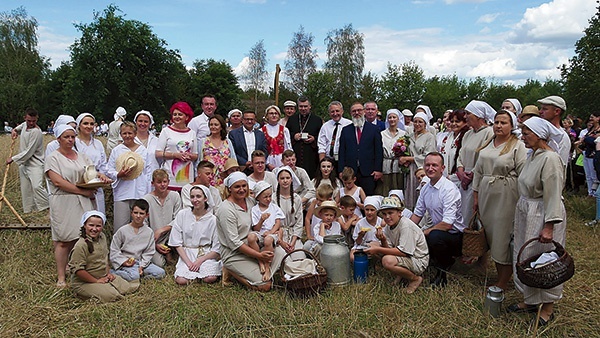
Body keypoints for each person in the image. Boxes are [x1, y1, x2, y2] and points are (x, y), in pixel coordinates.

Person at [508, 117, 567, 327]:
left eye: (526, 133)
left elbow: (553, 194)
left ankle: (548, 306)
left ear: (540, 135)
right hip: (528, 209)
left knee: (545, 260)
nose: (523, 137)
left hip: (542, 212)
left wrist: (549, 225)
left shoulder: (550, 159)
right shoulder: (534, 155)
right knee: (527, 256)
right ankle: (531, 299)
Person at [46, 125, 111, 287]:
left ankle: (81, 271)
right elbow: (57, 181)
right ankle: (61, 276)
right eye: (66, 137)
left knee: (82, 237)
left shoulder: (81, 156)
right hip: (64, 201)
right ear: (58, 139)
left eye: (72, 137)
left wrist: (100, 177)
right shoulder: (53, 157)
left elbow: (91, 173)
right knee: (63, 240)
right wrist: (82, 192)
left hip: (84, 201)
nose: (70, 140)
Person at [472, 110, 527, 290]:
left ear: (512, 126)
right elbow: (478, 171)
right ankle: (498, 272)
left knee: (502, 236)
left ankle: (504, 280)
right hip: (487, 193)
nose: (498, 126)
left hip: (506, 195)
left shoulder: (518, 146)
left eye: (503, 122)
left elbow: (523, 174)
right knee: (490, 233)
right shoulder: (489, 143)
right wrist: (476, 195)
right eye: (496, 122)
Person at [217, 172, 285, 291]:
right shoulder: (226, 209)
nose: (242, 189)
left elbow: (269, 215)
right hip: (235, 252)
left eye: (244, 186)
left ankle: (262, 267)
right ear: (229, 189)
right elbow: (234, 243)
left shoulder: (250, 201)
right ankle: (230, 269)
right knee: (265, 286)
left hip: (254, 243)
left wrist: (277, 231)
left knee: (280, 253)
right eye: (237, 187)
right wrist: (259, 255)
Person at [410, 152, 464, 288]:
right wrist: (407, 229)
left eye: (435, 165)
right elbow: (417, 214)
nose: (430, 168)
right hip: (439, 231)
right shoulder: (426, 188)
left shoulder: (449, 189)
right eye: (427, 165)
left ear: (442, 168)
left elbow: (447, 224)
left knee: (433, 236)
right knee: (418, 233)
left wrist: (424, 232)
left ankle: (442, 272)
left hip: (455, 235)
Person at [69, 211, 139, 302]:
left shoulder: (102, 237)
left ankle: (106, 287)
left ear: (102, 227)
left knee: (127, 288)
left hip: (102, 276)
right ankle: (84, 293)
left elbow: (104, 258)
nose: (94, 229)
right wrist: (96, 281)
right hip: (84, 282)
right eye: (91, 225)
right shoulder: (81, 245)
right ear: (84, 225)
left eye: (98, 226)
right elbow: (78, 270)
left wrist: (107, 273)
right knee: (113, 296)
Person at [367, 196, 429, 294]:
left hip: (418, 260)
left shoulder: (406, 225)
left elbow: (403, 252)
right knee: (372, 244)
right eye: (384, 214)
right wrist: (382, 239)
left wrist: (378, 249)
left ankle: (415, 279)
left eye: (390, 213)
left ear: (399, 213)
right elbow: (389, 248)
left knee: (387, 261)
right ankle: (401, 274)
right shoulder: (389, 226)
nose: (387, 217)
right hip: (407, 255)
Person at [170, 185, 222, 285]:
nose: (195, 200)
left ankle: (201, 273)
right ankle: (192, 274)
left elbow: (216, 248)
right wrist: (189, 262)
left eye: (198, 196)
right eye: (192, 197)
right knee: (181, 280)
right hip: (187, 253)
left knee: (210, 278)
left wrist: (199, 261)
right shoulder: (182, 214)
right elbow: (176, 242)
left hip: (205, 254)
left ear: (205, 198)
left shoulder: (213, 220)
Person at [107, 121, 151, 232]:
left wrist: (147, 192)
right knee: (120, 226)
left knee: (140, 225)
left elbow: (148, 172)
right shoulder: (117, 151)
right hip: (122, 192)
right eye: (124, 133)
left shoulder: (143, 151)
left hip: (139, 191)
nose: (127, 136)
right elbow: (109, 169)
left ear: (135, 134)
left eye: (130, 133)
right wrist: (118, 174)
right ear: (121, 134)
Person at [456, 100, 495, 227]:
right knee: (463, 212)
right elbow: (461, 154)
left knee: (474, 212)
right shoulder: (468, 134)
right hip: (464, 179)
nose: (465, 116)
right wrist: (461, 171)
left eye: (468, 113)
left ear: (478, 115)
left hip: (477, 178)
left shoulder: (489, 133)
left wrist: (471, 174)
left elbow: (485, 156)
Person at [110, 199, 166, 281]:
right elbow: (114, 249)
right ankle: (113, 272)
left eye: (141, 213)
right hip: (127, 262)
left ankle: (138, 276)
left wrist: (142, 266)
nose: (138, 216)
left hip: (141, 262)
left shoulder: (148, 231)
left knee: (160, 273)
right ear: (131, 213)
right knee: (134, 276)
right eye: (135, 213)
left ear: (147, 215)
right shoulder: (122, 230)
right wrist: (123, 261)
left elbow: (149, 251)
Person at [7, 108, 48, 213]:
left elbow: (29, 152)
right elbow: (19, 127)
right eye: (29, 120)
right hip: (24, 164)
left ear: (37, 119)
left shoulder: (36, 132)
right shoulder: (25, 125)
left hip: (36, 164)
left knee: (37, 186)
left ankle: (50, 205)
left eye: (34, 121)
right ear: (25, 118)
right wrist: (14, 130)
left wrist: (13, 158)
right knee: (26, 189)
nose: (31, 123)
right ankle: (30, 211)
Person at [338, 102, 383, 196]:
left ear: (364, 112)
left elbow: (378, 151)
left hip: (368, 172)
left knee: (368, 198)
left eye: (359, 110)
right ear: (350, 113)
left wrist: (378, 169)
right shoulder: (346, 130)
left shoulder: (374, 129)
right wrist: (341, 170)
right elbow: (341, 152)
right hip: (350, 172)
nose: (356, 113)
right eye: (354, 111)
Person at [143, 169, 182, 267]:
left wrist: (162, 230)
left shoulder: (175, 196)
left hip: (172, 235)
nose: (162, 185)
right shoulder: (146, 199)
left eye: (165, 182)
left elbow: (178, 219)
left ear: (168, 182)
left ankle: (172, 252)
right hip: (154, 239)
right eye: (159, 182)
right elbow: (144, 225)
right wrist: (154, 243)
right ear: (153, 183)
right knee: (159, 264)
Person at [155, 101, 198, 191]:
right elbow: (158, 153)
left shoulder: (192, 133)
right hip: (169, 177)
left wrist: (188, 156)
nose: (177, 117)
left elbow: (195, 155)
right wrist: (176, 155)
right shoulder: (166, 131)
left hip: (186, 178)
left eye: (180, 114)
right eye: (175, 114)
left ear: (186, 117)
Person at [401, 111, 437, 210]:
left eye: (420, 122)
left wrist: (409, 158)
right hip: (410, 169)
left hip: (422, 168)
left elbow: (428, 155)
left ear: (425, 123)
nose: (417, 124)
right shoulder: (410, 136)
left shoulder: (429, 137)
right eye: (415, 121)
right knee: (409, 191)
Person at [250, 181, 284, 281]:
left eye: (270, 196)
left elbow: (278, 223)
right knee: (251, 237)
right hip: (260, 233)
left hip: (271, 234)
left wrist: (271, 232)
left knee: (268, 240)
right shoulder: (255, 209)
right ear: (258, 197)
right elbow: (256, 228)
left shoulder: (274, 207)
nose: (268, 199)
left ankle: (267, 265)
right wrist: (261, 220)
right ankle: (260, 260)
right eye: (265, 197)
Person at [75, 113, 108, 213]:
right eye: (85, 123)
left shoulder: (98, 144)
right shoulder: (74, 143)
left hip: (97, 183)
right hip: (80, 182)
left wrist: (102, 176)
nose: (89, 126)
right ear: (79, 125)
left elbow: (103, 163)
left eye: (91, 124)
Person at [286, 97, 323, 179]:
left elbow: (322, 137)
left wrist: (314, 139)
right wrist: (294, 136)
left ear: (310, 106)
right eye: (301, 106)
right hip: (296, 153)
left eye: (305, 106)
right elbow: (286, 135)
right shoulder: (292, 119)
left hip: (311, 155)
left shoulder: (317, 120)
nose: (303, 109)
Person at [272, 166, 304, 255]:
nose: (285, 181)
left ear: (291, 179)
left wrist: (293, 242)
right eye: (282, 178)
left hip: (293, 235)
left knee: (299, 256)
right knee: (283, 259)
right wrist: (281, 242)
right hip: (278, 235)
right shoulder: (273, 198)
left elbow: (299, 222)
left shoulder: (297, 199)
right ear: (278, 180)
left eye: (287, 178)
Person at [199, 114, 236, 186]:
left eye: (216, 125)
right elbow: (199, 162)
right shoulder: (203, 141)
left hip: (225, 180)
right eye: (211, 125)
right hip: (208, 179)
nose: (213, 127)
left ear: (221, 127)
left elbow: (233, 160)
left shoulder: (228, 142)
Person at [380, 108, 407, 196]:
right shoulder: (382, 134)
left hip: (398, 166)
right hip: (386, 165)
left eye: (394, 117)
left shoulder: (403, 134)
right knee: (385, 189)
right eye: (390, 117)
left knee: (398, 188)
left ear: (398, 119)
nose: (392, 119)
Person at [538, 95, 570, 167]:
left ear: (557, 111)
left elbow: (559, 166)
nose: (540, 112)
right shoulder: (538, 132)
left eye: (545, 109)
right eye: (541, 108)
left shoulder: (563, 137)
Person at [350, 196, 383, 262]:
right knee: (352, 257)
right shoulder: (360, 223)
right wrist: (360, 235)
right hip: (362, 246)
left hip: (377, 246)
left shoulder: (381, 222)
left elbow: (385, 242)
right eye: (367, 209)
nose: (369, 212)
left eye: (372, 210)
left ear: (377, 211)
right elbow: (357, 242)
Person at [440, 109, 469, 185]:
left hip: (458, 179)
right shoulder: (448, 137)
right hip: (445, 177)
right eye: (452, 121)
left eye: (457, 121)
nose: (454, 124)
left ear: (465, 122)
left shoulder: (467, 137)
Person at [303, 184, 335, 253]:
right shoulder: (314, 203)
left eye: (321, 200)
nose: (318, 202)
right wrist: (308, 235)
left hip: (327, 238)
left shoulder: (333, 207)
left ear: (329, 199)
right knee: (306, 247)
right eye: (317, 199)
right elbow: (307, 218)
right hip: (314, 237)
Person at [261, 105, 292, 169]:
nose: (274, 115)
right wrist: (267, 163)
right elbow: (261, 149)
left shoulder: (284, 130)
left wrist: (286, 161)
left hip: (281, 160)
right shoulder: (261, 131)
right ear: (267, 116)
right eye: (271, 113)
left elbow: (288, 147)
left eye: (276, 113)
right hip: (267, 160)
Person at [134, 110, 161, 174]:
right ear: (135, 122)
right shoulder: (130, 140)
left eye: (146, 121)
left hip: (153, 178)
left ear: (150, 124)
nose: (142, 124)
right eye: (140, 121)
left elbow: (161, 161)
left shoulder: (157, 141)